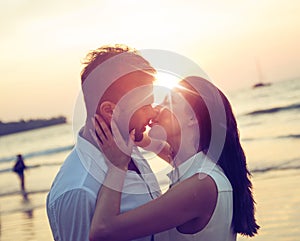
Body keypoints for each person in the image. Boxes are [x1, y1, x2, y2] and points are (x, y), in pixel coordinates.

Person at [89, 76, 260, 241]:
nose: (156, 109)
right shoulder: (199, 167)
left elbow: (103, 231)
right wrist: (136, 133)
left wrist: (117, 166)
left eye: (168, 103)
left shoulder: (200, 185)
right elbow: (161, 148)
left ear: (192, 118)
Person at [46, 44, 163, 241]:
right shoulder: (78, 190)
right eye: (145, 106)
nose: (152, 114)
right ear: (110, 111)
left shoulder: (126, 146)